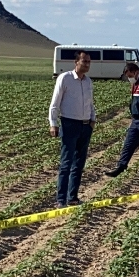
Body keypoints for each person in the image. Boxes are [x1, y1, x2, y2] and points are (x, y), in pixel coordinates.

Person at [48, 50, 95, 206]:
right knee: (66, 163)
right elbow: (55, 102)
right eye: (84, 61)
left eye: (88, 62)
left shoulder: (88, 81)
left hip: (85, 125)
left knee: (79, 163)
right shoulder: (65, 78)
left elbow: (90, 103)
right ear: (76, 62)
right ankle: (61, 199)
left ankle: (72, 197)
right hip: (69, 124)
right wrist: (53, 123)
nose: (87, 64)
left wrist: (92, 120)